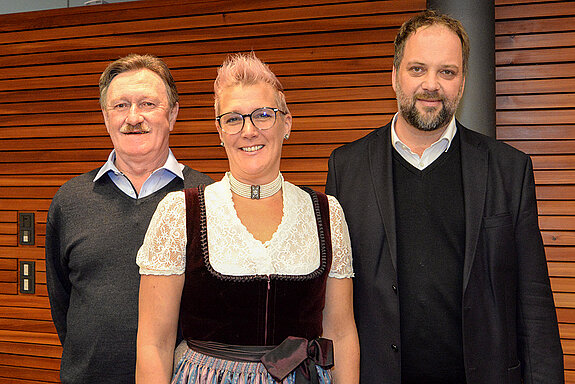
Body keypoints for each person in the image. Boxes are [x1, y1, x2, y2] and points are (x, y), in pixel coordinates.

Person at [325, 9, 563, 384]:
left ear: (463, 82)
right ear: (394, 75)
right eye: (417, 69)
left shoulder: (509, 170)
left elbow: (534, 307)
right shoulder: (346, 167)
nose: (431, 84)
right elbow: (335, 305)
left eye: (446, 72)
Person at [135, 52, 360, 384]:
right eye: (233, 118)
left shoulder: (327, 213)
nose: (249, 130)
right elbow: (155, 343)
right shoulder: (179, 212)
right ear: (220, 131)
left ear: (286, 123)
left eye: (263, 115)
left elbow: (341, 334)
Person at [45, 54, 213, 384]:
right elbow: (62, 302)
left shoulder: (208, 198)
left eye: (147, 104)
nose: (133, 118)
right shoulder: (70, 200)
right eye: (120, 106)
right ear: (105, 116)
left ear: (173, 114)